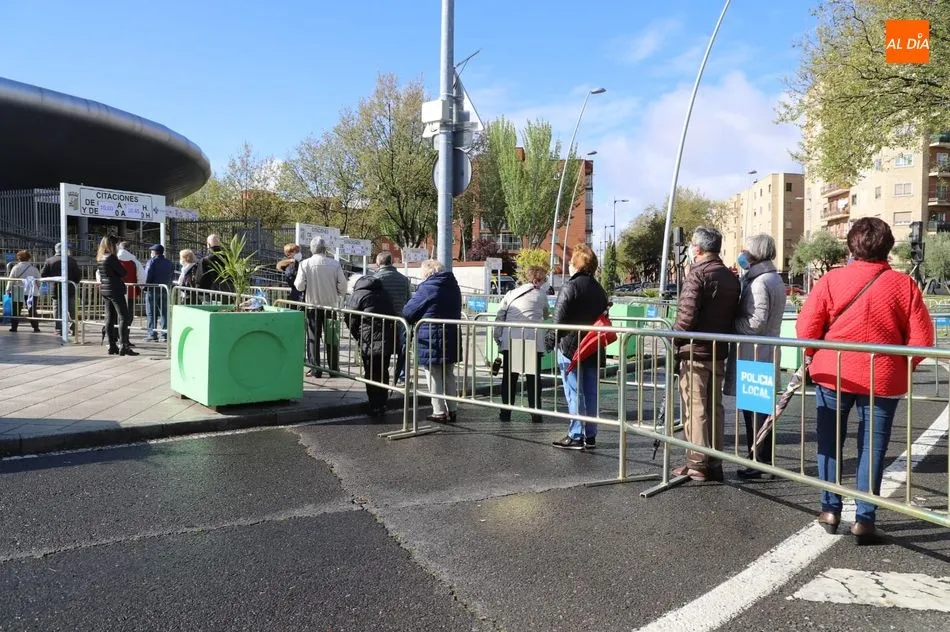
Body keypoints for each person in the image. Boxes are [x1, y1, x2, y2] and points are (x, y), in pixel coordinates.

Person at [797, 217, 932, 543]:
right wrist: (902, 365)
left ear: (850, 245)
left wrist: (814, 354)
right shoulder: (904, 286)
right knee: (873, 448)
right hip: (882, 377)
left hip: (833, 373)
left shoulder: (831, 280)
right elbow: (923, 341)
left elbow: (805, 330)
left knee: (829, 443)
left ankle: (829, 509)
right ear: (888, 247)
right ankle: (865, 519)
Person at [672, 226, 741, 481]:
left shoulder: (697, 275)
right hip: (718, 350)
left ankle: (697, 462)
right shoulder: (730, 277)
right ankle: (714, 461)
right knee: (715, 407)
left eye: (692, 244)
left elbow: (686, 318)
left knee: (696, 407)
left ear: (698, 248)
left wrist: (674, 339)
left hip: (695, 352)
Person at [729, 234, 787, 480]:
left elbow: (756, 323)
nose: (742, 253)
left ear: (755, 254)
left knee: (755, 414)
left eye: (746, 249)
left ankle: (759, 462)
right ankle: (761, 461)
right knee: (759, 413)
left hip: (755, 354)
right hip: (762, 353)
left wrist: (731, 323)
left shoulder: (760, 282)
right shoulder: (772, 278)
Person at [546, 245, 608, 449]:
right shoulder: (599, 290)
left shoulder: (570, 287)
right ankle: (590, 435)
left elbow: (558, 320)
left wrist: (548, 342)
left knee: (574, 392)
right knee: (590, 392)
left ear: (576, 265)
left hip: (570, 347)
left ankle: (575, 435)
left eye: (571, 262)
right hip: (592, 345)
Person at [403, 259, 462, 423]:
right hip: (451, 335)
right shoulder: (453, 286)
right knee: (449, 373)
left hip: (432, 337)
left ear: (427, 273)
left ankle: (439, 411)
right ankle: (453, 409)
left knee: (433, 373)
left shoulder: (428, 287)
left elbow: (408, 312)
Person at [494, 264, 550, 423]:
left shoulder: (511, 293)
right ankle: (535, 414)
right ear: (538, 280)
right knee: (533, 379)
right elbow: (546, 314)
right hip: (532, 341)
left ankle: (505, 413)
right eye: (544, 279)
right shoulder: (541, 295)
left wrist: (497, 338)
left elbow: (500, 315)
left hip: (512, 339)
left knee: (510, 379)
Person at [294, 236, 347, 378]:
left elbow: (299, 286)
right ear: (325, 249)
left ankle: (315, 368)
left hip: (312, 306)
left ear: (312, 248)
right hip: (331, 307)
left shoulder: (305, 264)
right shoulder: (335, 264)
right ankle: (333, 369)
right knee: (332, 338)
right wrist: (337, 292)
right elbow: (343, 285)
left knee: (313, 338)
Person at [346, 275, 397, 418]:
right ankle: (383, 403)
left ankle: (374, 405)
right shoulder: (384, 292)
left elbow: (350, 318)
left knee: (371, 372)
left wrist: (357, 335)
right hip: (386, 338)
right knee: (383, 371)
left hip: (368, 339)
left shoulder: (358, 294)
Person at [96, 235, 138, 357]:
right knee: (124, 317)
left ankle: (112, 345)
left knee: (109, 317)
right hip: (115, 290)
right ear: (111, 245)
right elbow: (123, 272)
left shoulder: (100, 257)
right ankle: (124, 345)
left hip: (105, 290)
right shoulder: (111, 258)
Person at [374, 251, 411, 384]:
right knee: (402, 349)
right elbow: (408, 300)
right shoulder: (404, 279)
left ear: (378, 263)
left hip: (380, 321)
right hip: (400, 320)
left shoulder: (375, 279)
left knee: (383, 350)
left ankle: (381, 377)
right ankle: (401, 377)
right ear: (391, 262)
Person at [40, 242, 81, 335]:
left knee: (57, 310)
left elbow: (43, 274)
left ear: (55, 250)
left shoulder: (49, 261)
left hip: (56, 288)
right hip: (70, 288)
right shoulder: (72, 260)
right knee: (71, 310)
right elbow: (78, 275)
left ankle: (59, 329)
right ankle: (73, 328)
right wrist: (74, 282)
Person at [143, 244, 175, 342]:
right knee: (164, 313)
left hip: (152, 290)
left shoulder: (151, 261)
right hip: (165, 289)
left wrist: (145, 287)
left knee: (151, 313)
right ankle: (164, 334)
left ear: (154, 252)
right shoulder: (169, 262)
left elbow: (147, 276)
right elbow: (172, 276)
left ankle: (152, 334)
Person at [5, 250, 41, 333]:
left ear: (18, 258)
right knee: (32, 309)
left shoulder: (15, 268)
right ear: (29, 258)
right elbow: (39, 281)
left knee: (16, 310)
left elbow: (11, 280)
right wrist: (37, 287)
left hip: (18, 289)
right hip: (31, 291)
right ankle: (36, 327)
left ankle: (14, 327)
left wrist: (8, 290)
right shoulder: (34, 269)